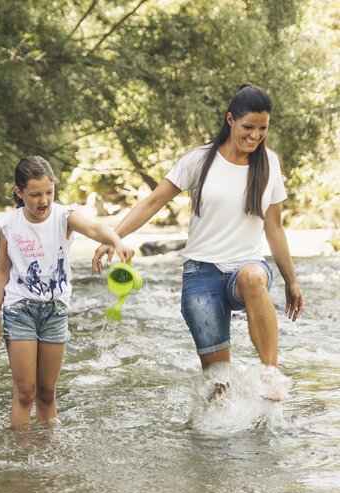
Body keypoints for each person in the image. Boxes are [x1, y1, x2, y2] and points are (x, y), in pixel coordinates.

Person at [93, 84, 303, 398]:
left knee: (255, 277)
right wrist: (113, 237)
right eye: (248, 127)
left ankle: (269, 374)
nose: (255, 136)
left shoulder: (270, 163)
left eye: (263, 129)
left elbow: (274, 228)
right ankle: (216, 438)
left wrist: (291, 281)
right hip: (201, 276)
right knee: (219, 388)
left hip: (244, 269)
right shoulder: (200, 160)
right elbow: (153, 202)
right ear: (230, 119)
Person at [0, 156, 135, 427]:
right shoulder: (9, 225)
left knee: (46, 392)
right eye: (35, 194)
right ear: (19, 193)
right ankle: (19, 459)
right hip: (20, 311)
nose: (44, 200)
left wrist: (116, 240)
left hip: (56, 312)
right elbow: (1, 271)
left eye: (49, 193)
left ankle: (47, 457)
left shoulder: (63, 216)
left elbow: (94, 227)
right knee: (25, 392)